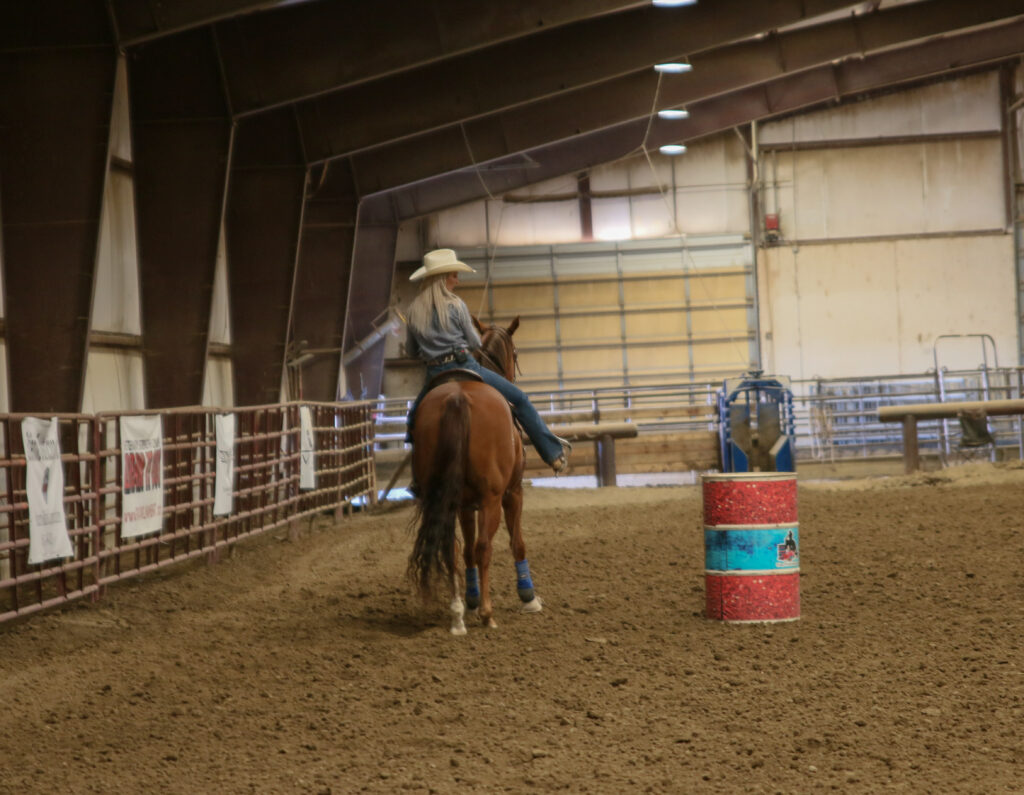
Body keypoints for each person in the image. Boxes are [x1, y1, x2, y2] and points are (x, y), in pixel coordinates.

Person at [404, 248, 571, 473]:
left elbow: (412, 352)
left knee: (414, 420)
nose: (457, 280)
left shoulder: (414, 311)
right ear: (443, 278)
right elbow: (475, 343)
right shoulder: (456, 306)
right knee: (520, 399)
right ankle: (553, 454)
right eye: (454, 275)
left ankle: (418, 476)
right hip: (465, 366)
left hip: (435, 374)